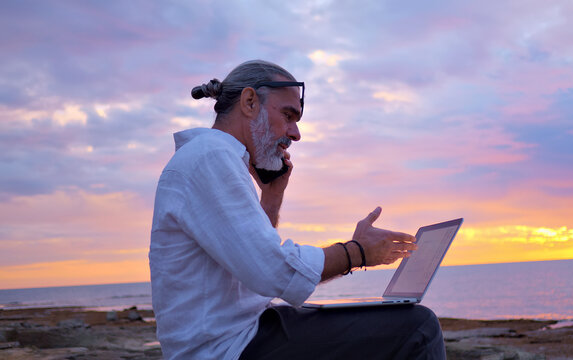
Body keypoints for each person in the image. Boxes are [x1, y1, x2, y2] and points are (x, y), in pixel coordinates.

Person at [149, 60, 446, 359]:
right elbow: (272, 272)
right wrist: (358, 252)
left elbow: (250, 267)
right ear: (250, 102)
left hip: (242, 334)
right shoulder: (211, 157)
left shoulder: (213, 158)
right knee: (418, 327)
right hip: (227, 348)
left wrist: (272, 196)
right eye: (288, 115)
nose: (295, 134)